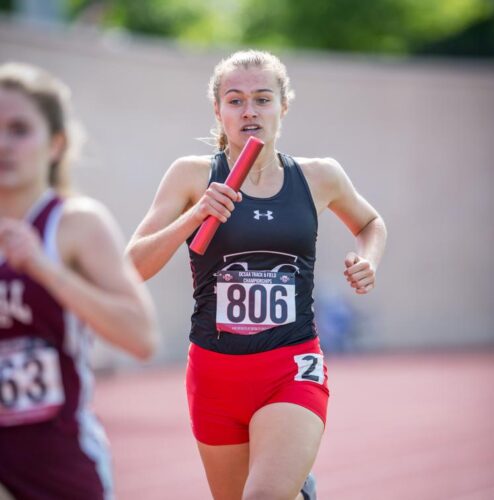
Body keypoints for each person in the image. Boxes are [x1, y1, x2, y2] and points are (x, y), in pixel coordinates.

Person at [127, 50, 387, 500]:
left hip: (290, 365)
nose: (249, 111)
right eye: (235, 100)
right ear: (218, 110)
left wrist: (369, 259)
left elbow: (370, 223)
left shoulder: (320, 176)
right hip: (214, 373)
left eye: (263, 99)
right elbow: (131, 267)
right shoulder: (191, 175)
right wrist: (194, 216)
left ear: (282, 107)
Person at [0, 62, 158, 500]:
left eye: (18, 129)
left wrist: (43, 268)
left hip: (59, 465)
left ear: (55, 144)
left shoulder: (74, 224)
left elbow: (142, 337)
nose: (3, 145)